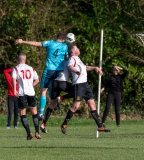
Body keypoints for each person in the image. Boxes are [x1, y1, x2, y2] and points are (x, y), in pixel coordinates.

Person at [15, 32, 68, 120]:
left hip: (49, 70)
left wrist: (22, 41)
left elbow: (36, 44)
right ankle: (54, 102)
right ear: (63, 39)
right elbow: (67, 57)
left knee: (43, 90)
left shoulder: (50, 43)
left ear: (56, 37)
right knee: (51, 87)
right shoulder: (65, 46)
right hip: (59, 71)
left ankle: (40, 113)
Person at [60, 44, 110, 134]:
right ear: (73, 51)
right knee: (76, 106)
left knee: (92, 105)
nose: (79, 49)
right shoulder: (72, 58)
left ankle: (100, 126)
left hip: (85, 85)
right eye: (77, 48)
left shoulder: (78, 59)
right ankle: (64, 124)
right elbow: (70, 66)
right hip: (78, 85)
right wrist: (75, 71)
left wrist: (95, 68)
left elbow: (85, 68)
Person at [12, 53, 41, 140]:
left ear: (18, 59)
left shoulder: (16, 68)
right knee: (34, 112)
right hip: (31, 92)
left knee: (22, 113)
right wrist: (31, 86)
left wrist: (14, 89)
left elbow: (14, 78)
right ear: (25, 59)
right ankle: (37, 132)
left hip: (22, 93)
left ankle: (29, 133)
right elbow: (37, 79)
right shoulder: (31, 68)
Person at [40, 60, 73, 133]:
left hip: (54, 83)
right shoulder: (69, 62)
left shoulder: (57, 62)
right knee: (76, 90)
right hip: (63, 83)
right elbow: (71, 72)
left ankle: (43, 123)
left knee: (52, 104)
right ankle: (61, 98)